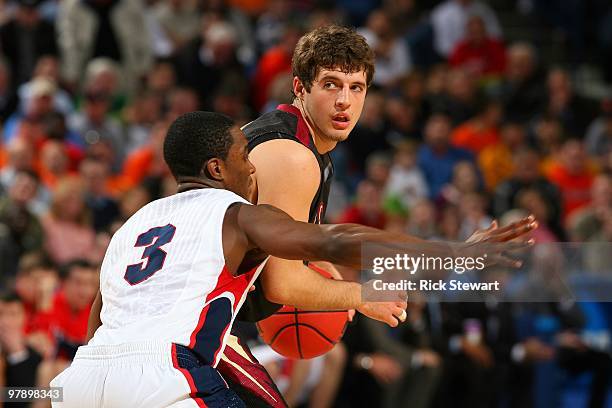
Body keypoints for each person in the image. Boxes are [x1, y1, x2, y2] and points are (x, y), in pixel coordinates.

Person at [51, 111, 535, 407]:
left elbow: (98, 321)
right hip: (164, 377)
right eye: (245, 156)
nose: (252, 166)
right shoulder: (235, 212)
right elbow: (331, 241)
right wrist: (450, 253)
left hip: (80, 381)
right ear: (218, 168)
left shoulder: (132, 226)